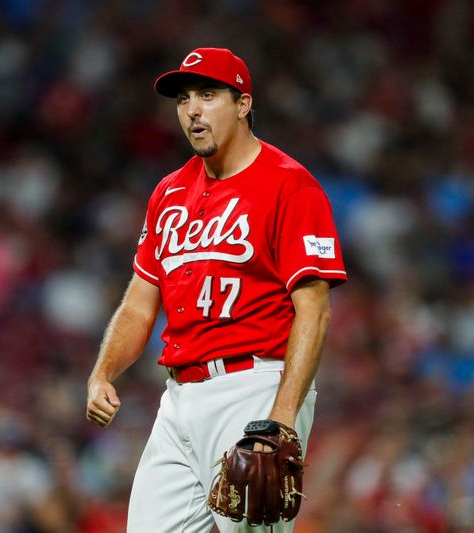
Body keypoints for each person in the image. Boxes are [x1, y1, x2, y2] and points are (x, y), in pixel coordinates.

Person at [86, 47, 347, 532]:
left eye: (208, 94)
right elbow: (140, 305)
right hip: (179, 397)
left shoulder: (290, 185)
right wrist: (103, 372)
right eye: (184, 98)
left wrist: (281, 420)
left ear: (243, 104)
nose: (193, 110)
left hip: (254, 389)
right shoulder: (168, 192)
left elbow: (314, 311)